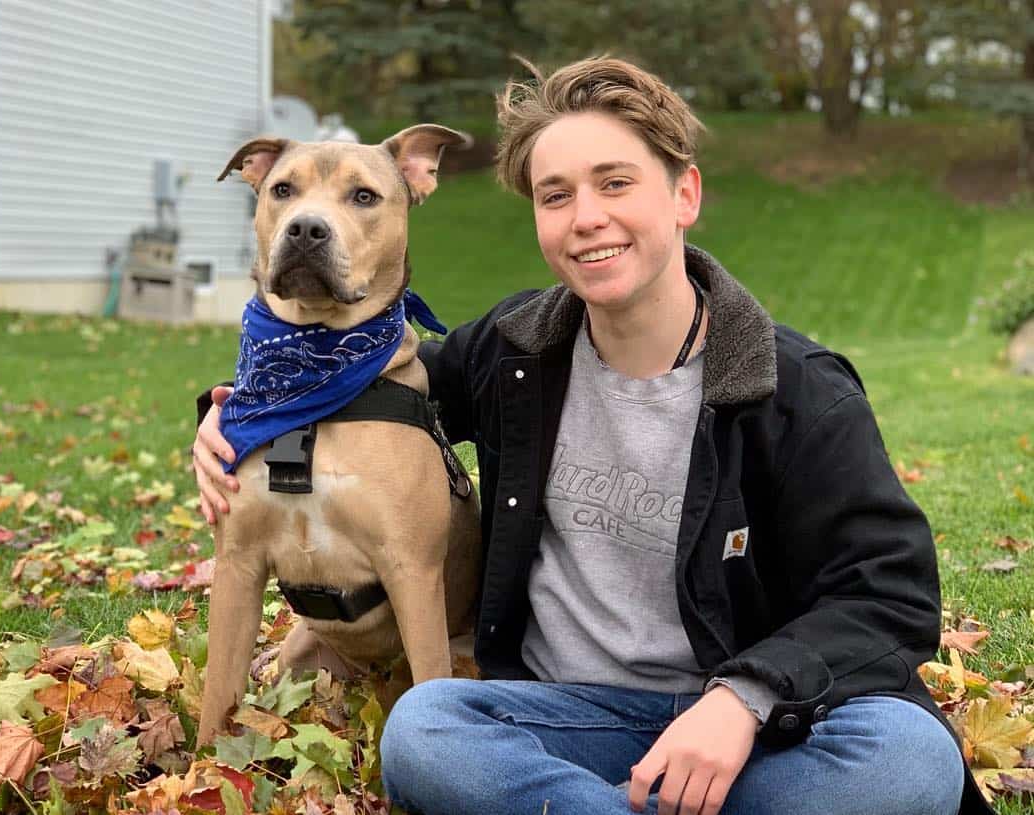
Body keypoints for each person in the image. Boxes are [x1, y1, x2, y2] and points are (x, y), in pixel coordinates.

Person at [193, 57, 990, 815]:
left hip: (754, 725)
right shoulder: (514, 352)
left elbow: (890, 595)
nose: (588, 218)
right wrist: (226, 414)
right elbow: (364, 384)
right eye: (556, 194)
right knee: (426, 730)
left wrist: (745, 698)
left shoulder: (797, 389)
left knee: (911, 753)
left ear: (685, 195)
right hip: (564, 720)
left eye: (616, 183)